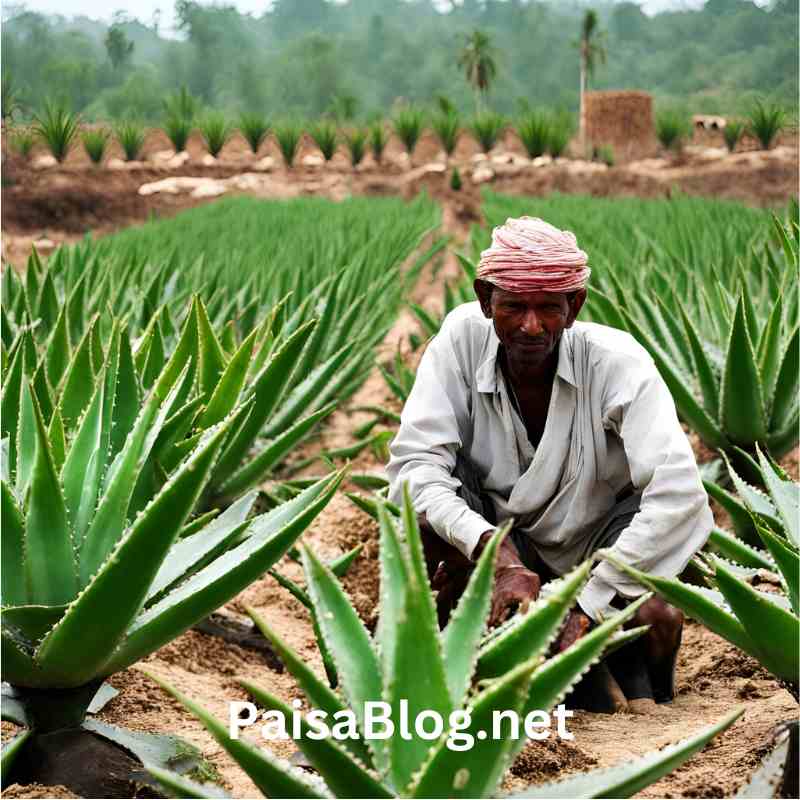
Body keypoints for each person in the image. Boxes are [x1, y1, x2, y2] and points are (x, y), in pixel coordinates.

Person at [387, 216, 713, 713]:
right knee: (430, 516)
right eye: (513, 306)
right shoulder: (459, 342)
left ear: (575, 305)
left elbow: (680, 496)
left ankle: (638, 684)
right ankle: (446, 636)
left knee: (656, 618)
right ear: (484, 299)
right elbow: (415, 466)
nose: (531, 326)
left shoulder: (618, 364)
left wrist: (579, 602)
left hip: (599, 544)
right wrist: (498, 556)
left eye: (549, 308)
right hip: (500, 533)